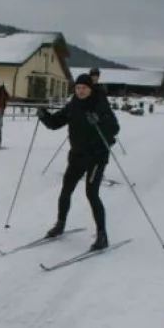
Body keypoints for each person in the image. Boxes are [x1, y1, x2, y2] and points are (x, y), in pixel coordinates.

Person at [38, 73, 121, 251]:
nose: (80, 91)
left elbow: (114, 128)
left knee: (91, 193)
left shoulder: (100, 104)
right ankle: (60, 224)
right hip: (77, 155)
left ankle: (102, 235)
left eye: (84, 88)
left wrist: (99, 122)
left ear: (90, 89)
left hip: (97, 157)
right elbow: (55, 123)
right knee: (66, 189)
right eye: (77, 88)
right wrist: (44, 116)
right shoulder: (73, 105)